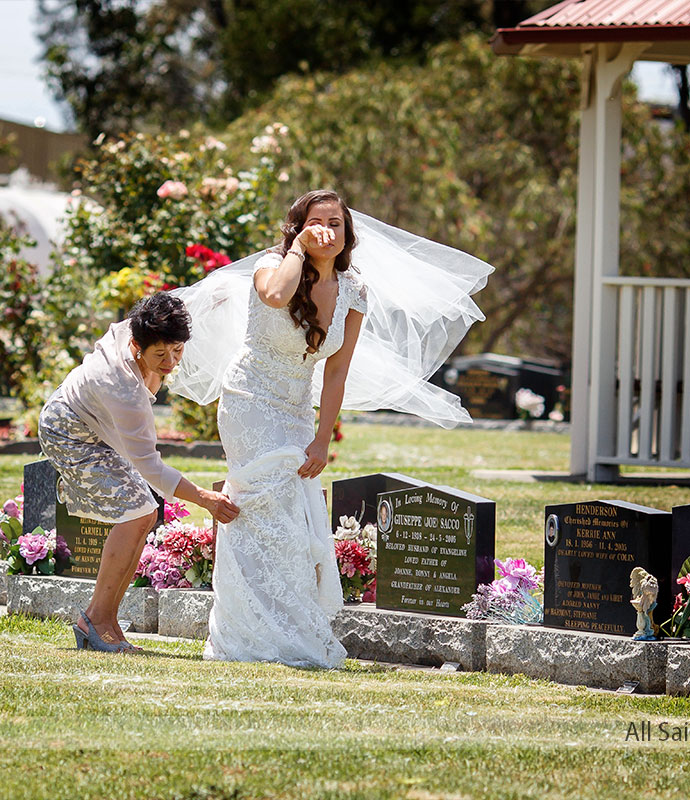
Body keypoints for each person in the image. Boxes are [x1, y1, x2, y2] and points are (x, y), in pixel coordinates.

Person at [171, 189, 495, 668]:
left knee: (294, 514)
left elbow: (337, 372)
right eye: (317, 221)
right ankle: (244, 629)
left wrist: (322, 437)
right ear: (299, 227)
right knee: (261, 502)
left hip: (297, 408)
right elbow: (276, 296)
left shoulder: (355, 291)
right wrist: (298, 250)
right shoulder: (271, 265)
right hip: (249, 401)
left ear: (348, 235)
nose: (328, 229)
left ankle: (289, 626)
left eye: (336, 223)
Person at [39, 292, 239, 653]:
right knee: (136, 513)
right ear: (135, 346)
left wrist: (217, 303)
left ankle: (105, 619)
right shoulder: (123, 387)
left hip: (96, 425)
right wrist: (204, 499)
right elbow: (150, 465)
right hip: (67, 433)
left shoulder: (153, 323)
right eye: (159, 355)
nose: (170, 362)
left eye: (177, 351)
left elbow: (184, 302)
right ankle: (95, 620)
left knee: (145, 513)